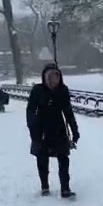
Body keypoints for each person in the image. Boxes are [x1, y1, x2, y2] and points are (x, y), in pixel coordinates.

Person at [26, 63, 79, 197]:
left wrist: (74, 130)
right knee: (42, 159)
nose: (55, 80)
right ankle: (44, 185)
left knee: (64, 159)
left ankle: (65, 188)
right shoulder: (37, 90)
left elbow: (68, 112)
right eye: (52, 77)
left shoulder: (62, 90)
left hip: (59, 128)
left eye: (57, 76)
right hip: (41, 129)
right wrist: (33, 129)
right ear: (45, 77)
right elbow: (30, 110)